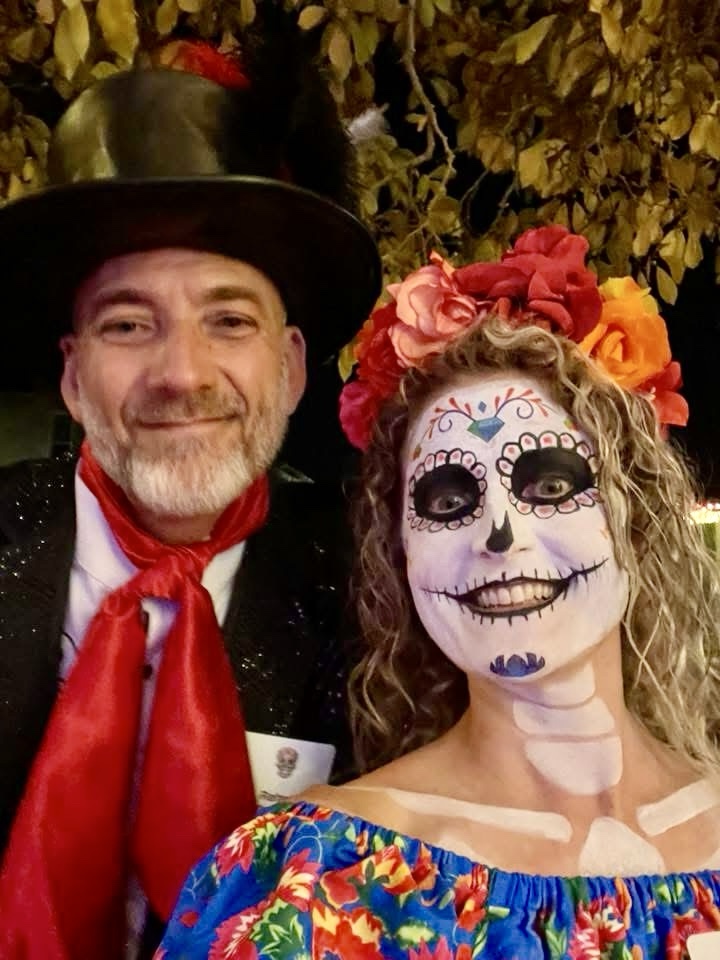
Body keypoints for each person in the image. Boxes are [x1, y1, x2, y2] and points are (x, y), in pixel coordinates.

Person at [158, 226, 720, 959]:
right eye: (449, 501)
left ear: (634, 521)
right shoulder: (321, 882)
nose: (500, 535)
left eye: (550, 486)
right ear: (402, 556)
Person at [0, 23, 381, 960]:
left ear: (292, 369)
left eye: (230, 320)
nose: (182, 373)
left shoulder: (380, 592)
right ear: (72, 377)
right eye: (129, 325)